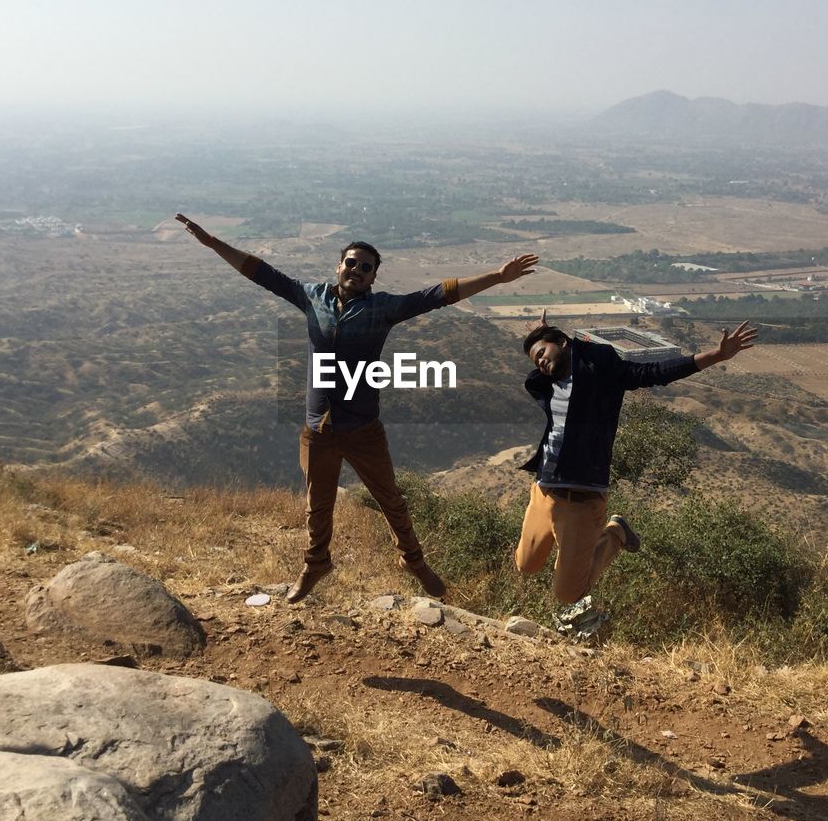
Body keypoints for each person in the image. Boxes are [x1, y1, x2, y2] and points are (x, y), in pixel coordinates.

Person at [177, 213, 539, 602]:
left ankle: (413, 560)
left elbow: (438, 295)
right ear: (340, 266)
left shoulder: (382, 308)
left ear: (373, 277)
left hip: (363, 428)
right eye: (352, 262)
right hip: (319, 428)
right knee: (318, 506)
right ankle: (316, 564)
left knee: (391, 500)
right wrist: (215, 244)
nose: (358, 270)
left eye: (366, 267)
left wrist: (497, 277)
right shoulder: (310, 296)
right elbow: (261, 272)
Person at [516, 314, 757, 636]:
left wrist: (715, 355)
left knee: (568, 594)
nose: (541, 363)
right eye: (536, 360)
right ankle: (585, 540)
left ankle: (614, 532)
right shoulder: (548, 384)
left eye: (543, 353)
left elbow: (652, 373)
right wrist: (539, 335)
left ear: (563, 342)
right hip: (544, 489)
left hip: (581, 497)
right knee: (525, 565)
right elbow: (548, 371)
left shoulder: (601, 369)